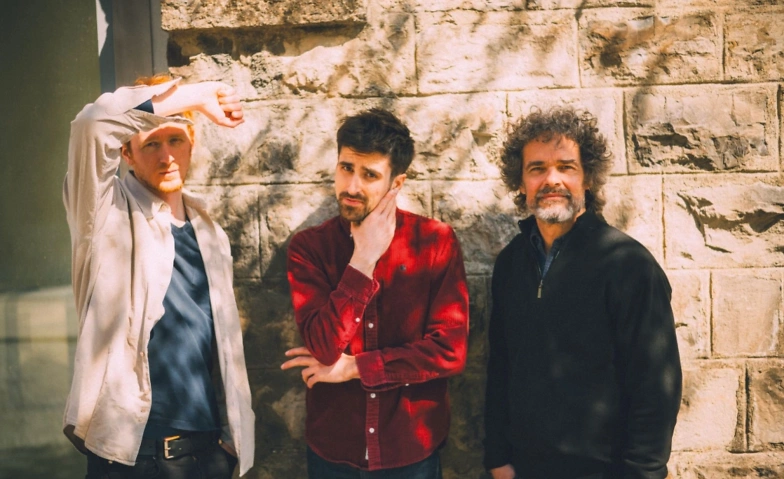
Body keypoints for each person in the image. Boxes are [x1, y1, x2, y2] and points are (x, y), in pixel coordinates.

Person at [62, 74, 255, 478]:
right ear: (127, 154)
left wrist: (229, 445)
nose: (166, 156)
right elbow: (92, 126)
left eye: (175, 140)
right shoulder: (105, 214)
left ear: (191, 144)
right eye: (151, 144)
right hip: (131, 455)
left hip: (206, 455)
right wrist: (198, 95)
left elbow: (221, 349)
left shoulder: (210, 231)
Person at [484, 107, 682, 479]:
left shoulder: (627, 264)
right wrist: (497, 458)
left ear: (586, 178)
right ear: (521, 182)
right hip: (523, 470)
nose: (551, 179)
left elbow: (656, 388)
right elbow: (501, 367)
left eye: (566, 167)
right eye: (537, 168)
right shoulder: (511, 263)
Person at [281, 108, 469, 478]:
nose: (352, 186)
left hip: (409, 452)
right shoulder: (310, 248)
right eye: (346, 168)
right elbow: (323, 348)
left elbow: (449, 351)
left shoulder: (435, 242)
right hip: (334, 452)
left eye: (369, 175)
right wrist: (362, 261)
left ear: (396, 183)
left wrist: (355, 368)